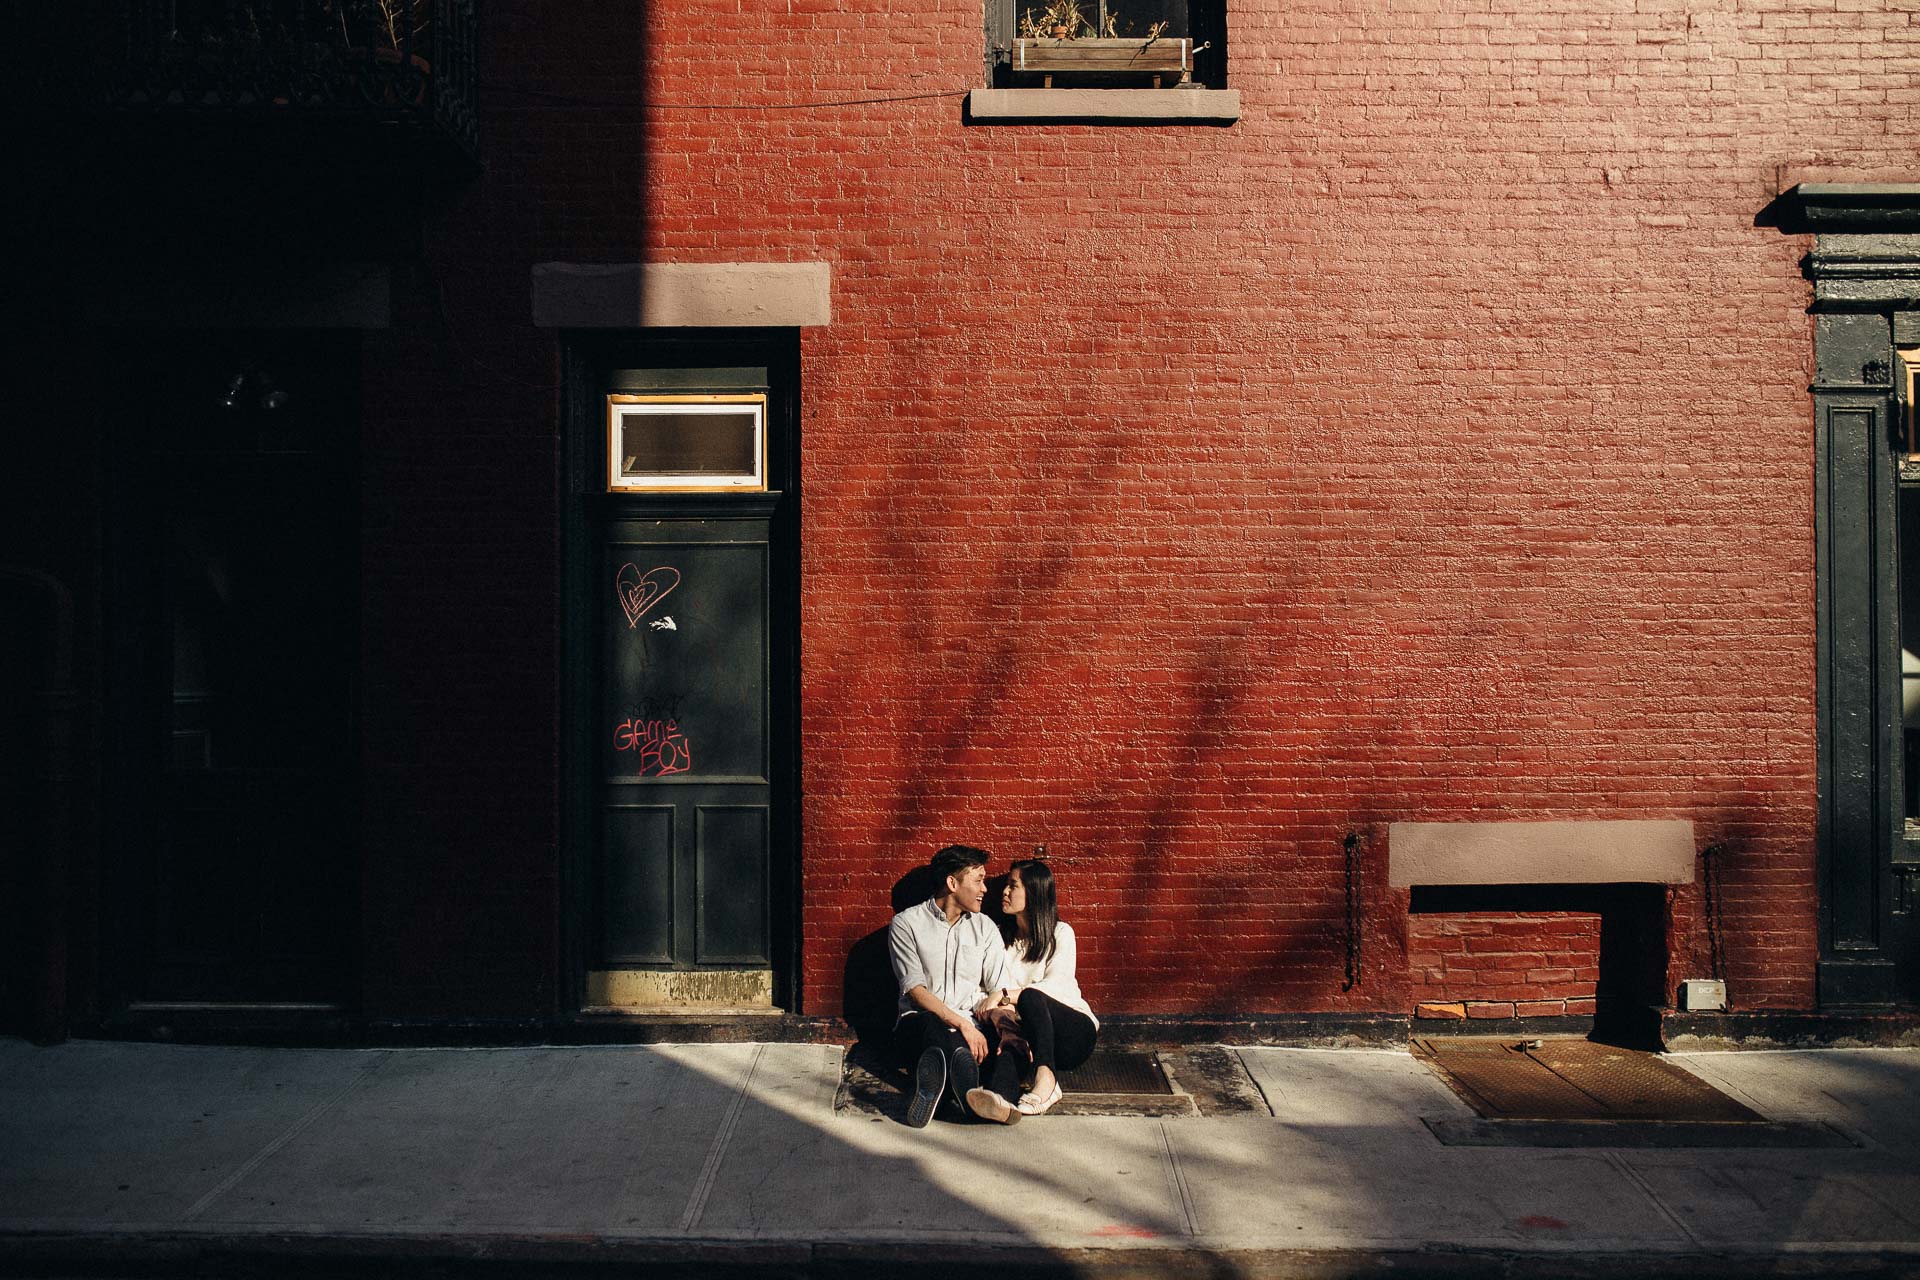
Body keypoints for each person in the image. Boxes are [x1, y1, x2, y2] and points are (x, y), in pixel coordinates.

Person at [886, 844, 1025, 1127]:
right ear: (952, 883)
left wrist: (1006, 1028)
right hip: (921, 1026)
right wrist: (963, 1025)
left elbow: (998, 987)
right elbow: (915, 991)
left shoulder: (985, 927)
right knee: (935, 1032)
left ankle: (997, 1100)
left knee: (1010, 1045)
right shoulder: (906, 924)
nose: (985, 889)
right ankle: (967, 1099)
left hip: (974, 1027)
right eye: (978, 880)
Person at [993, 857, 1097, 1116]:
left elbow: (1057, 983)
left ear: (1035, 892)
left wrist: (1006, 996)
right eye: (1006, 884)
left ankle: (1047, 1081)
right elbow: (988, 985)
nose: (1005, 892)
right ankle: (997, 1101)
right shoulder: (998, 939)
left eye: (1013, 886)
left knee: (1031, 997)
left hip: (1072, 1034)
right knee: (1007, 1045)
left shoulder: (1061, 934)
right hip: (1027, 1036)